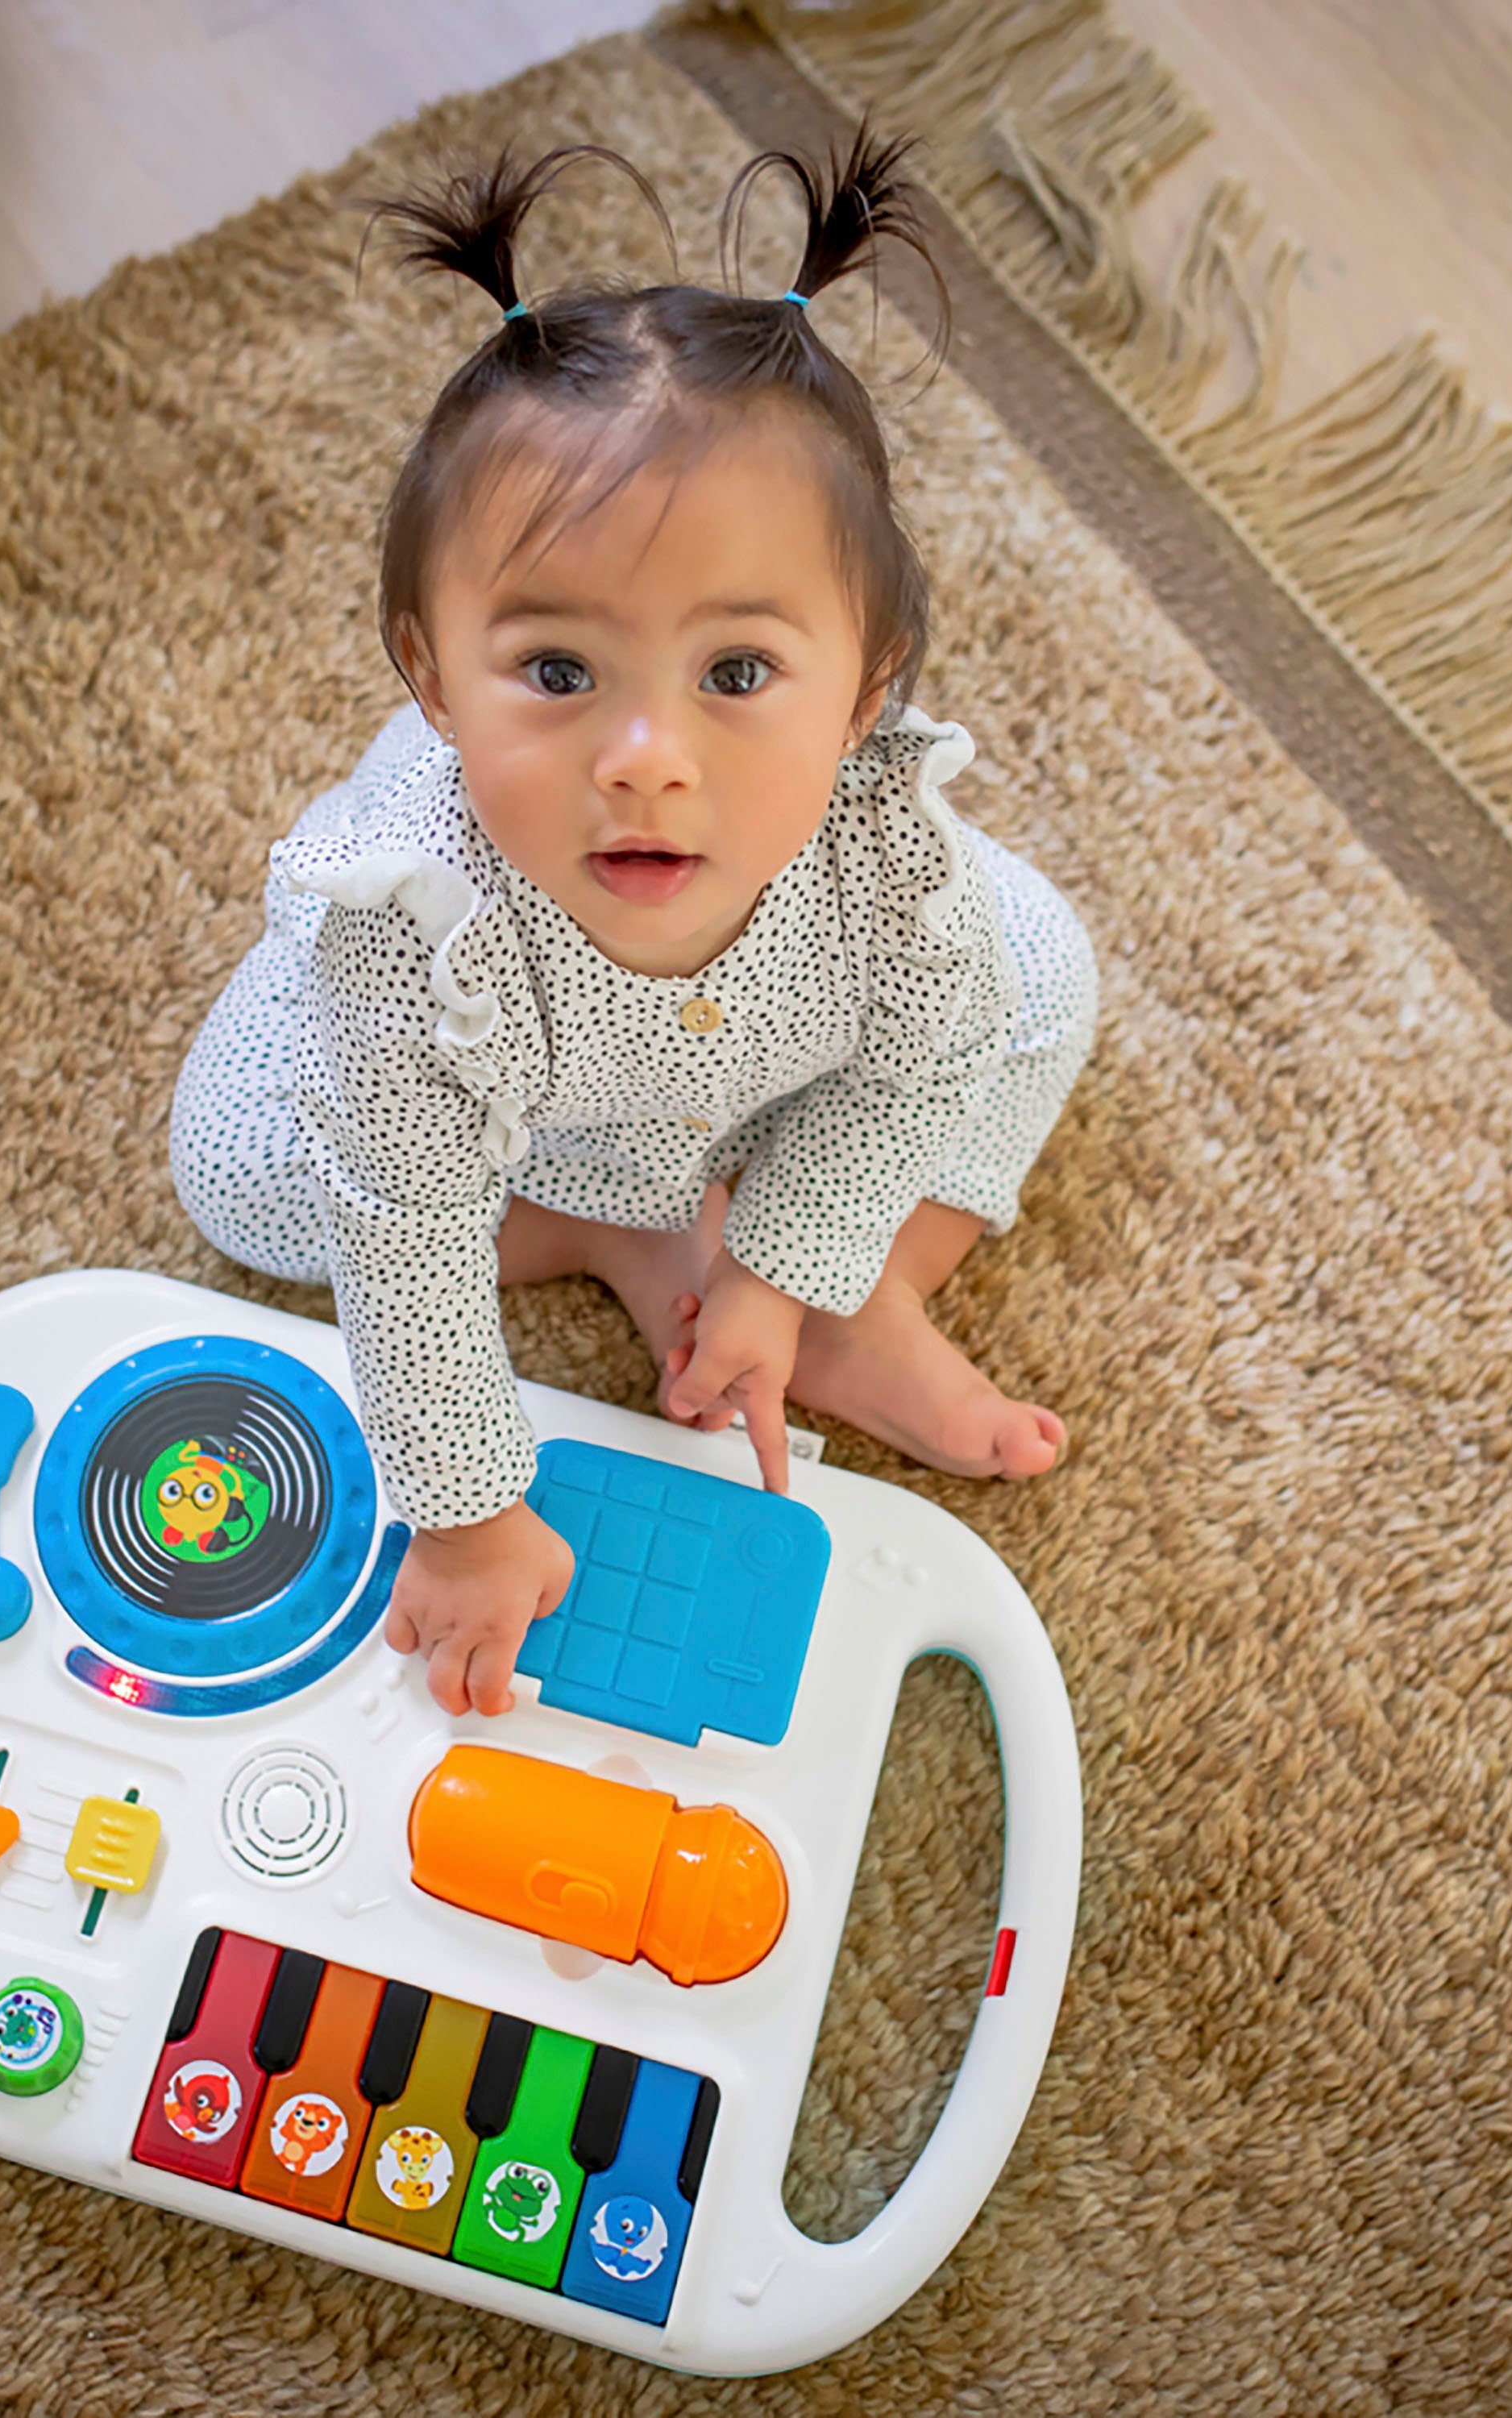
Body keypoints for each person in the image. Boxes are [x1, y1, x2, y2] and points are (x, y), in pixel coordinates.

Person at [171, 119, 1099, 1719]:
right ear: (431, 674)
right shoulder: (411, 932)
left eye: (738, 676)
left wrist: (781, 1268)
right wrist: (462, 1518)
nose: (645, 763)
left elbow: (910, 1069)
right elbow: (401, 1238)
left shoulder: (879, 859)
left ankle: (820, 1291)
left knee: (1034, 970)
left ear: (868, 689)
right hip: (489, 1120)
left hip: (767, 1082)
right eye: (554, 673)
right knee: (245, 1172)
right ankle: (625, 1235)